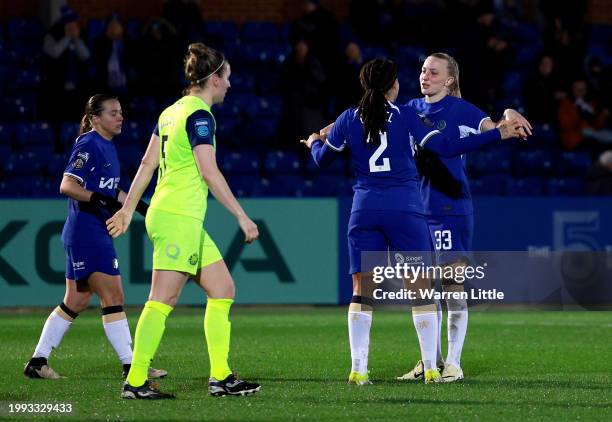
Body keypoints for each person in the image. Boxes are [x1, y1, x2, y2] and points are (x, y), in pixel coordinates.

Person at [302, 58, 522, 385]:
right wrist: (498, 134)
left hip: (364, 209)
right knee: (421, 289)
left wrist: (314, 140)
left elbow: (321, 159)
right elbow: (445, 147)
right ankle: (432, 367)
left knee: (362, 291)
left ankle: (359, 370)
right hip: (405, 210)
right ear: (394, 85)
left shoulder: (349, 117)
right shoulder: (407, 115)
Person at [106, 43, 261, 399]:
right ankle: (136, 381)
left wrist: (130, 208)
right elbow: (209, 171)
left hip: (175, 214)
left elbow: (147, 164)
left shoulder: (170, 112)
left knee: (223, 289)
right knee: (163, 298)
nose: (230, 85)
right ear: (213, 79)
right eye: (227, 78)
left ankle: (220, 377)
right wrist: (241, 216)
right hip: (179, 216)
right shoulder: (200, 116)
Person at [397, 52, 531, 383]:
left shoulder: (463, 110)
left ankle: (454, 363)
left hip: (450, 210)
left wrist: (508, 112)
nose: (424, 76)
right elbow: (365, 117)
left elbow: (497, 129)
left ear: (450, 80)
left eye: (433, 72)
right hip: (417, 210)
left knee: (452, 287)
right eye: (423, 70)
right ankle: (431, 360)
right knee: (421, 292)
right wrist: (327, 132)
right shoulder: (410, 110)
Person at [23, 94, 163, 380]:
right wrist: (99, 200)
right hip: (87, 232)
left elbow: (115, 192)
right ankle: (132, 367)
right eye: (113, 113)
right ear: (95, 119)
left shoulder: (107, 146)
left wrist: (143, 209)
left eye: (121, 112)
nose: (120, 117)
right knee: (113, 295)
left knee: (76, 300)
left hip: (89, 231)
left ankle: (37, 362)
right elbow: (67, 185)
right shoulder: (89, 143)